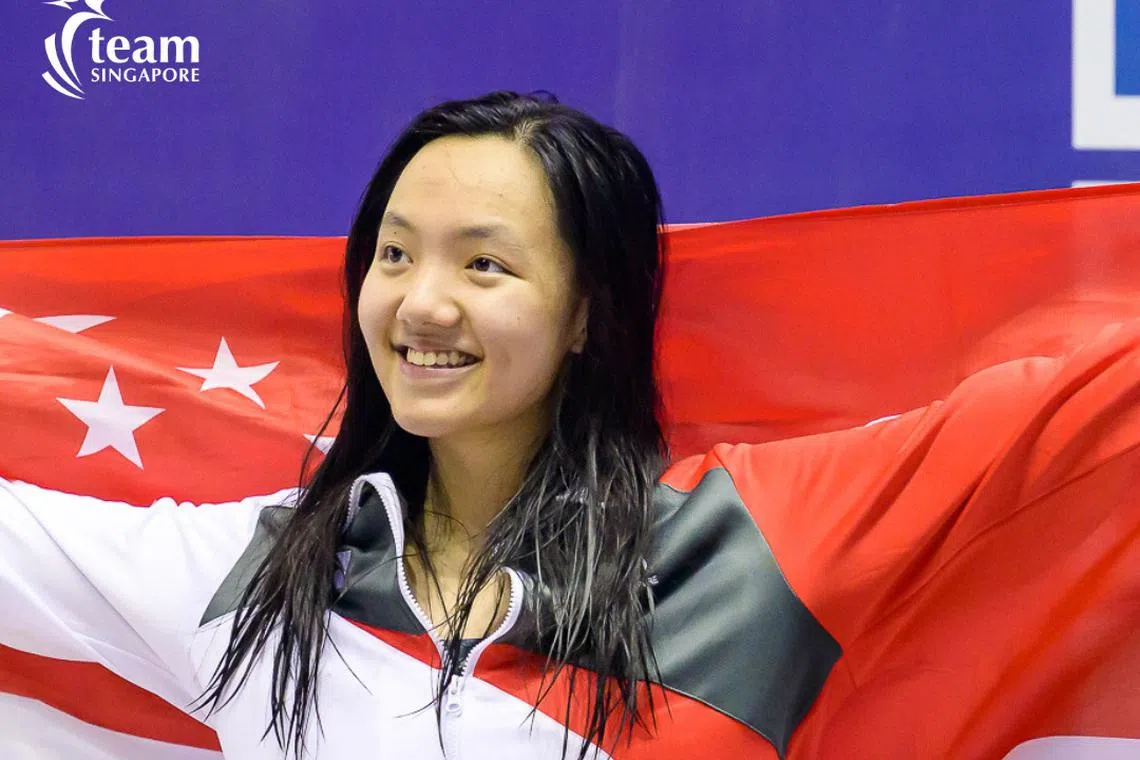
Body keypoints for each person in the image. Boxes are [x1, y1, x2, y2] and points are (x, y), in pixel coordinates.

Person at [1, 91, 1138, 760]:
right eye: (393, 253)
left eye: (483, 264)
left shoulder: (755, 544)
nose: (421, 302)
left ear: (588, 310)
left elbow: (1083, 414)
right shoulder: (256, 571)